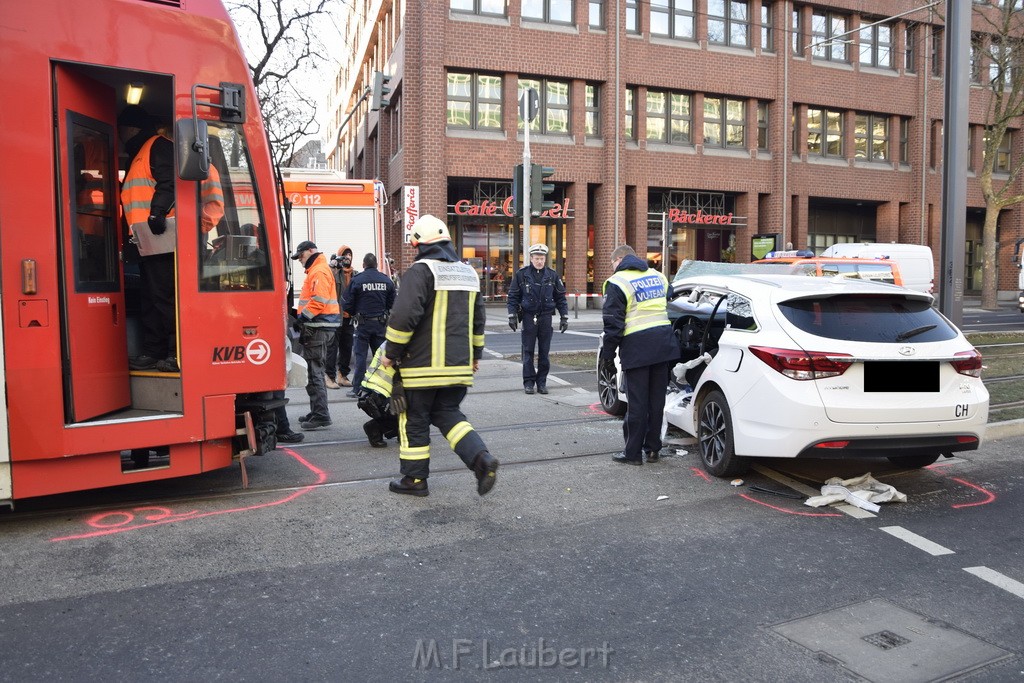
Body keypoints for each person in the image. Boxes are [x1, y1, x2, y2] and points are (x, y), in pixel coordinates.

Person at [380, 214, 499, 497]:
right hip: (458, 369)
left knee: (414, 420)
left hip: (421, 369)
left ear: (419, 244)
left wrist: (390, 353)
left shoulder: (420, 271)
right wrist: (475, 355)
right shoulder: (469, 273)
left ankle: (415, 480)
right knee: (448, 414)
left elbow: (403, 317)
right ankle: (481, 460)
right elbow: (478, 322)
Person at [599, 244, 679, 466]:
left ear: (620, 259)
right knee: (656, 402)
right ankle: (653, 449)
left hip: (637, 348)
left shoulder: (618, 282)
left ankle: (632, 454)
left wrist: (607, 356)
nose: (613, 268)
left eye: (613, 263)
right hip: (663, 346)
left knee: (637, 404)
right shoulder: (657, 276)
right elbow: (671, 294)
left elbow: (613, 325)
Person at [119, 105, 177, 372]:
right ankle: (155, 351)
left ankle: (175, 353)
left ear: (130, 129)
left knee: (164, 298)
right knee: (152, 298)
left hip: (160, 237)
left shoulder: (157, 146)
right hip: (145, 240)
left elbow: (170, 183)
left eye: (122, 130)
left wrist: (157, 213)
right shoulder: (140, 154)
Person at [506, 243, 569, 395]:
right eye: (536, 258)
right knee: (527, 351)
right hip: (528, 317)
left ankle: (542, 383)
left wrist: (564, 317)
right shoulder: (522, 275)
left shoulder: (552, 275)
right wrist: (512, 316)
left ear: (545, 259)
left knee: (544, 352)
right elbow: (513, 296)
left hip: (546, 317)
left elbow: (560, 298)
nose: (539, 261)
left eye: (542, 258)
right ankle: (528, 383)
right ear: (531, 258)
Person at [292, 240, 340, 430]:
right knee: (313, 371)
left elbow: (318, 301)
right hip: (321, 327)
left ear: (310, 251)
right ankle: (317, 411)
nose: (300, 260)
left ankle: (320, 414)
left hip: (318, 327)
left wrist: (302, 317)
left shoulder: (318, 270)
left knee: (314, 372)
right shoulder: (317, 269)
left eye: (301, 256)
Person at [343, 253, 396, 398]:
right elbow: (392, 303)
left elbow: (347, 304)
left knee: (360, 357)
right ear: (377, 265)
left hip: (362, 324)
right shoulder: (386, 280)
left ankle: (357, 388)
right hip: (380, 324)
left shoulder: (357, 280)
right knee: (381, 357)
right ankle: (382, 388)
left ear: (364, 265)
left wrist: (355, 313)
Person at [355, 343, 400, 447]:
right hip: (375, 394)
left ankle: (404, 432)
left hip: (384, 394)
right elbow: (387, 361)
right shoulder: (395, 341)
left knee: (422, 406)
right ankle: (375, 428)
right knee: (416, 411)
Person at [326, 246, 357, 389]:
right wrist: (333, 266)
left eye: (349, 255)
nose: (348, 258)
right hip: (335, 316)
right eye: (345, 255)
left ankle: (342, 375)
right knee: (332, 348)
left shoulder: (355, 274)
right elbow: (326, 279)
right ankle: (329, 376)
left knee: (347, 347)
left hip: (349, 317)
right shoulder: (335, 273)